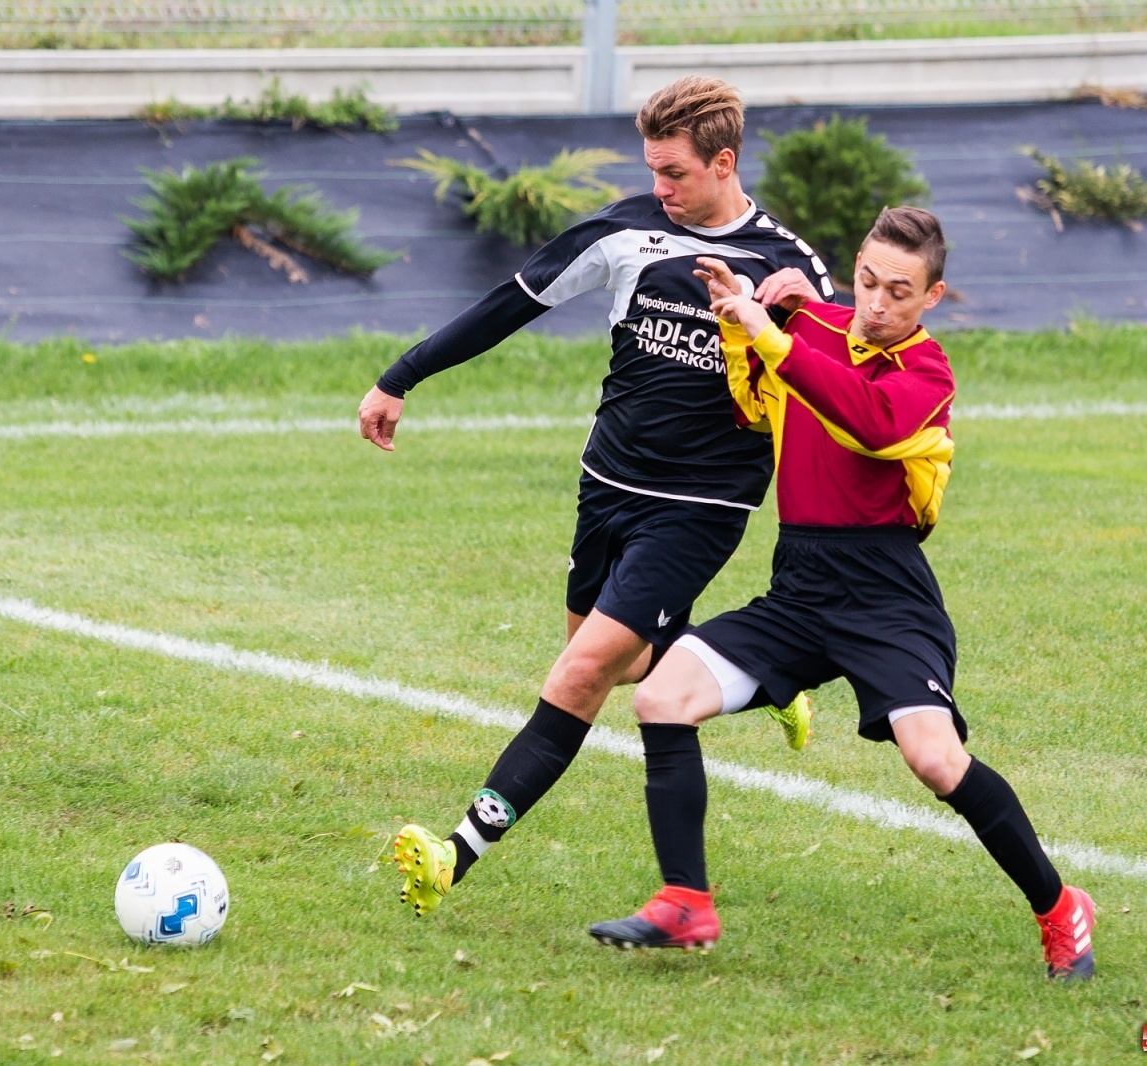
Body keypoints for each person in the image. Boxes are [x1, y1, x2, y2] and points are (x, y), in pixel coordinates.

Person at [359, 75, 833, 917]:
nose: (660, 188)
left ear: (724, 162)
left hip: (702, 506)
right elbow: (512, 303)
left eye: (676, 173)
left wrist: (800, 320)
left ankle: (455, 853)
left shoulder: (787, 266)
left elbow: (839, 378)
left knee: (579, 674)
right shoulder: (627, 229)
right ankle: (764, 677)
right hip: (607, 483)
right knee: (606, 656)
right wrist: (403, 375)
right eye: (653, 170)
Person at [587, 206, 1097, 982]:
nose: (879, 302)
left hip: (885, 592)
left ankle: (1061, 909)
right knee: (660, 698)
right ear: (854, 265)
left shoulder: (929, 374)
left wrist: (772, 332)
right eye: (868, 281)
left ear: (933, 295)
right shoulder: (811, 326)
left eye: (901, 290)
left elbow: (868, 425)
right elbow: (754, 403)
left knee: (933, 759)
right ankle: (686, 900)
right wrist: (739, 314)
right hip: (799, 584)